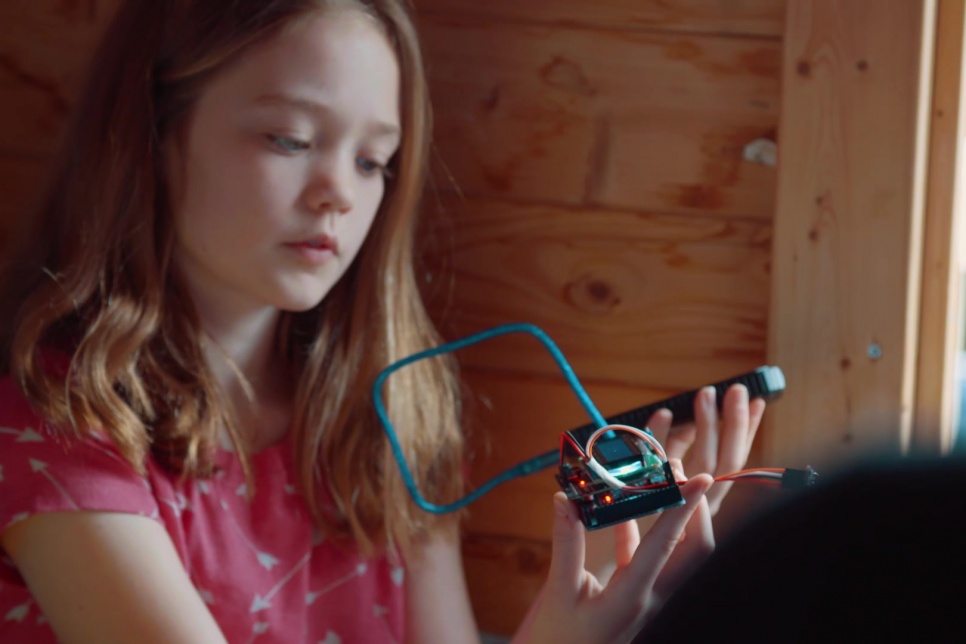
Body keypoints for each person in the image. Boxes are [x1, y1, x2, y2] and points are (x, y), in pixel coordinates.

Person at [0, 1, 764, 641]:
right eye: (290, 139)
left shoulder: (393, 421)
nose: (338, 192)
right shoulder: (54, 429)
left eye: (373, 162)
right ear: (155, 133)